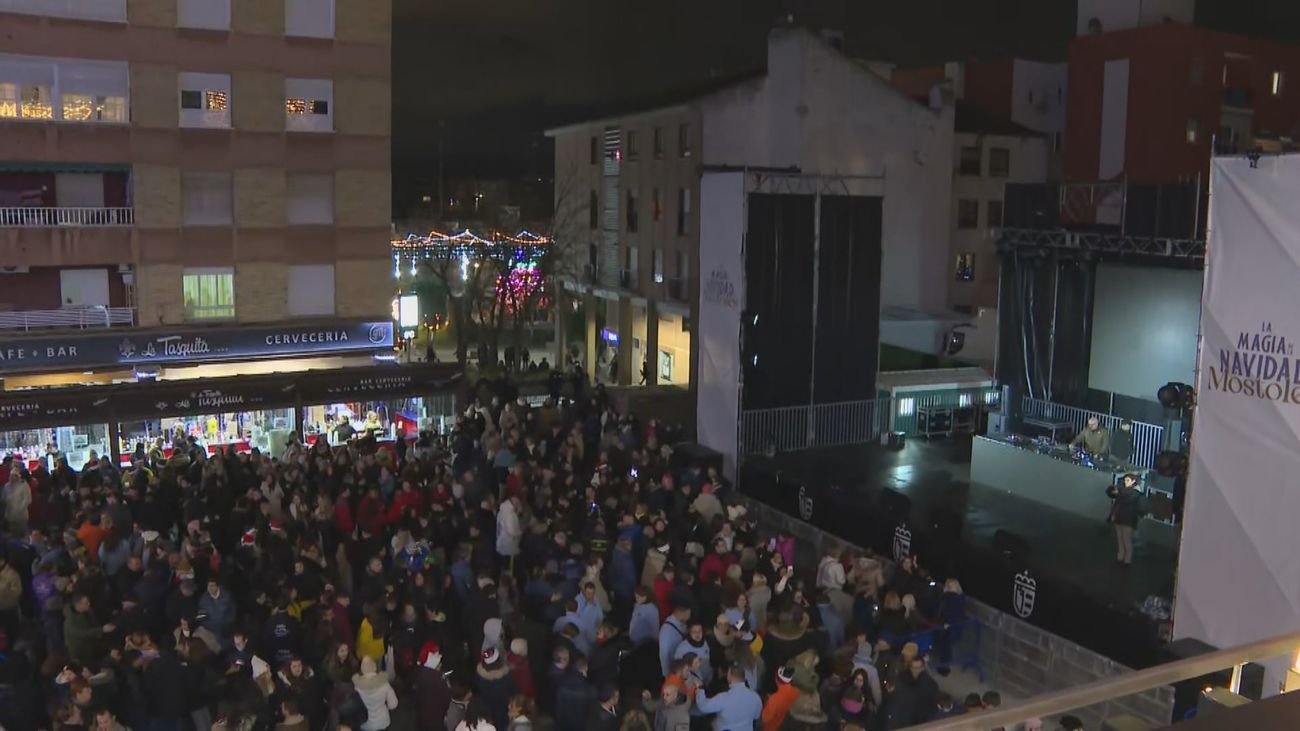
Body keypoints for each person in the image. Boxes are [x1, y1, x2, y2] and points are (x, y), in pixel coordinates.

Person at [695, 666, 763, 731]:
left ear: (729, 676)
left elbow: (704, 707)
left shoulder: (724, 698)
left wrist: (700, 690)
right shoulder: (755, 697)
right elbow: (756, 716)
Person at [1106, 474, 1146, 566]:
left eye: (1128, 480)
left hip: (1127, 519)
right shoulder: (1131, 493)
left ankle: (1125, 559)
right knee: (1121, 539)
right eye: (1125, 480)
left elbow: (1121, 501)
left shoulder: (1132, 493)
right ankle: (1122, 558)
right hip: (1123, 518)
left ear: (1133, 481)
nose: (1125, 482)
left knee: (1125, 539)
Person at [352, 655, 398, 731]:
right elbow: (393, 704)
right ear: (374, 666)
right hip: (384, 720)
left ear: (362, 668)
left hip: (368, 723)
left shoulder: (358, 686)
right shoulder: (384, 683)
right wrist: (386, 706)